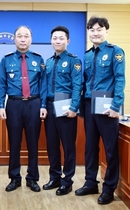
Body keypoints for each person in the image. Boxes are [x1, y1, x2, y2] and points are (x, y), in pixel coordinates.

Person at [75, 16, 125, 205]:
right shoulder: (87, 55)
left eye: (99, 29)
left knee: (110, 149)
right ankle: (90, 182)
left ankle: (109, 188)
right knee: (90, 147)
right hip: (89, 105)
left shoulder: (115, 52)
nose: (95, 33)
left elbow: (120, 79)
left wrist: (116, 106)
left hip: (107, 105)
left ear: (106, 31)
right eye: (92, 30)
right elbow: (84, 83)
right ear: (89, 32)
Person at [0, 26, 47, 193]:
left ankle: (32, 178)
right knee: (14, 142)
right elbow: (1, 84)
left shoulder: (38, 59)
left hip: (33, 104)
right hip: (13, 105)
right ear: (14, 39)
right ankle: (14, 178)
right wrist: (0, 105)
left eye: (26, 36)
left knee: (33, 143)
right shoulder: (6, 60)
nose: (23, 39)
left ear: (31, 39)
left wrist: (43, 105)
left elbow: (43, 85)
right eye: (20, 36)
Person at [42, 26, 82, 196]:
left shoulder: (74, 61)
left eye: (61, 38)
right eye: (55, 38)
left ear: (68, 41)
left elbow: (77, 86)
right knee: (52, 145)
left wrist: (74, 108)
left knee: (68, 146)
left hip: (66, 107)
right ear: (51, 41)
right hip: (51, 106)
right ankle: (55, 177)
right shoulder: (48, 62)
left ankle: (67, 181)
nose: (57, 41)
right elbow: (44, 87)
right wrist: (43, 106)